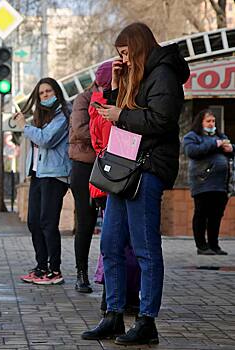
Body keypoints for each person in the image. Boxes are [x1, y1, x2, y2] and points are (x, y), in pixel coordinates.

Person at [81, 22, 190, 346]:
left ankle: (147, 321)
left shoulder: (164, 74)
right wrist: (116, 86)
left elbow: (161, 120)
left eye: (126, 53)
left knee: (145, 248)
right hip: (125, 168)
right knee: (111, 244)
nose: (124, 60)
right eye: (120, 56)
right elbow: (126, 111)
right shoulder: (137, 75)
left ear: (139, 47)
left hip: (148, 168)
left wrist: (120, 115)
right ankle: (113, 314)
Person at [88, 61, 141, 316]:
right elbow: (120, 136)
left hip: (106, 178)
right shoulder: (111, 105)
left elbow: (98, 141)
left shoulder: (95, 105)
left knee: (111, 242)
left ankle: (112, 300)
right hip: (122, 177)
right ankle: (121, 298)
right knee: (125, 243)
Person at [15, 77, 72, 285]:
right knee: (34, 221)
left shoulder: (64, 114)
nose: (45, 95)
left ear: (56, 92)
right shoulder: (43, 117)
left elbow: (46, 140)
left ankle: (54, 269)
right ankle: (41, 267)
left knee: (48, 222)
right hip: (39, 174)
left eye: (48, 91)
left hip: (55, 175)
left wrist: (25, 127)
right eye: (41, 93)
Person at [68, 64, 108, 293]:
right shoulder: (83, 99)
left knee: (112, 221)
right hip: (84, 166)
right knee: (85, 221)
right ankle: (81, 273)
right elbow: (81, 129)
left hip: (108, 166)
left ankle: (108, 274)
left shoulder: (117, 97)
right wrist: (107, 131)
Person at [183, 109, 233, 255]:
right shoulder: (192, 137)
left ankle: (214, 245)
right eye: (208, 121)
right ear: (201, 122)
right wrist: (215, 144)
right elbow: (192, 151)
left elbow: (230, 149)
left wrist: (231, 148)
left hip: (221, 184)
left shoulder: (220, 136)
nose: (212, 124)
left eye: (213, 121)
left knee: (216, 216)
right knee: (201, 214)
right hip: (202, 183)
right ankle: (202, 246)